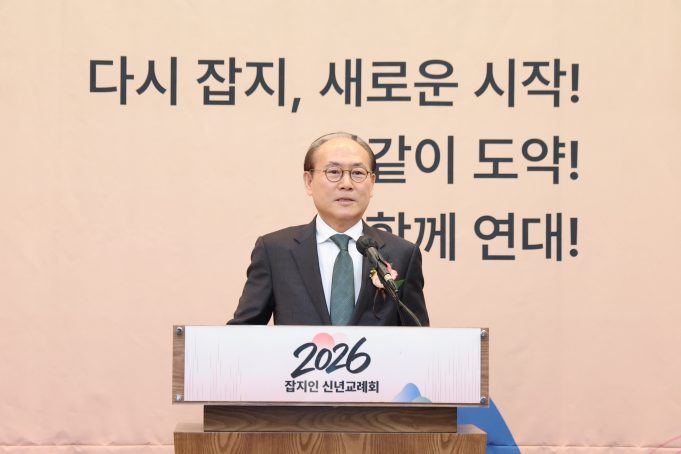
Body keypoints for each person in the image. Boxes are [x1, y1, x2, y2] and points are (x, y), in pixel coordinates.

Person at [228, 132, 429, 326]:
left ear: (372, 183)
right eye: (333, 172)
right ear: (309, 182)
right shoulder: (274, 251)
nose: (346, 184)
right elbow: (242, 333)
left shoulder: (402, 254)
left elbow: (419, 337)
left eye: (358, 173)